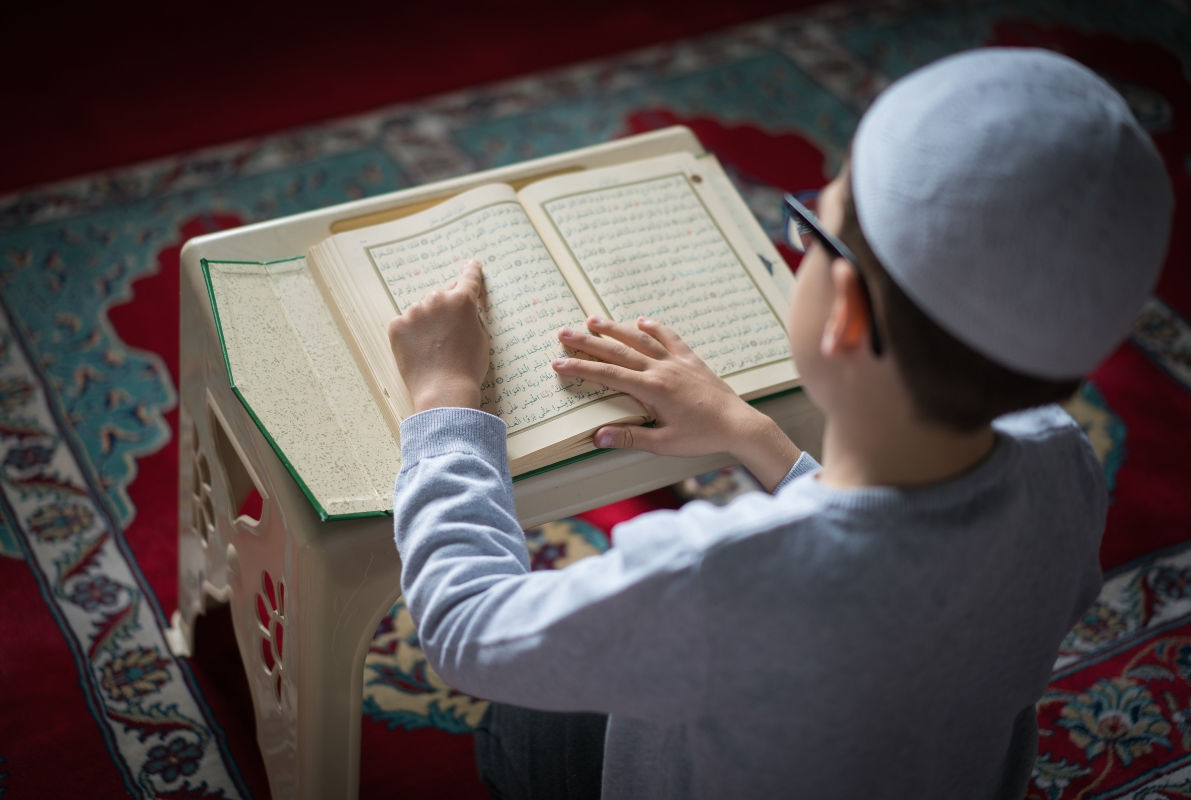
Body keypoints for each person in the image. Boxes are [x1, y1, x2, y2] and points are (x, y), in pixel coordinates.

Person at [385, 48, 1173, 799]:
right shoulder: (1064, 462)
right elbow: (906, 568)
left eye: (813, 223)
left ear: (847, 311)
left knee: (518, 724)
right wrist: (751, 435)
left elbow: (467, 628)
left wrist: (448, 399)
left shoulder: (726, 571)